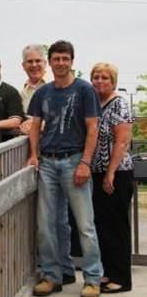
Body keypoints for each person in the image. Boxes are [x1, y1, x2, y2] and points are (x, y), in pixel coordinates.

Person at [27, 40, 103, 297]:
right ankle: (52, 276)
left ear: (72, 60)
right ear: (50, 61)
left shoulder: (84, 90)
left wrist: (85, 162)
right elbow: (35, 126)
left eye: (65, 58)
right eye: (56, 58)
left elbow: (93, 128)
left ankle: (92, 278)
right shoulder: (42, 93)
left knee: (85, 224)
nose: (60, 63)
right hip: (47, 162)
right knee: (46, 225)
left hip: (74, 160)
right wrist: (34, 155)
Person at [90, 63, 134, 293]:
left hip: (117, 174)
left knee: (117, 228)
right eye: (96, 77)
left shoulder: (119, 104)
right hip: (96, 173)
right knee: (102, 227)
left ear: (113, 81)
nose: (99, 81)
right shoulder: (96, 104)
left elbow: (122, 141)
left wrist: (110, 173)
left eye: (105, 78)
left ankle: (121, 279)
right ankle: (108, 273)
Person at [19, 44, 48, 134]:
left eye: (38, 61)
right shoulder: (22, 93)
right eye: (30, 61)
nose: (34, 65)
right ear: (23, 66)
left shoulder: (56, 86)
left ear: (45, 63)